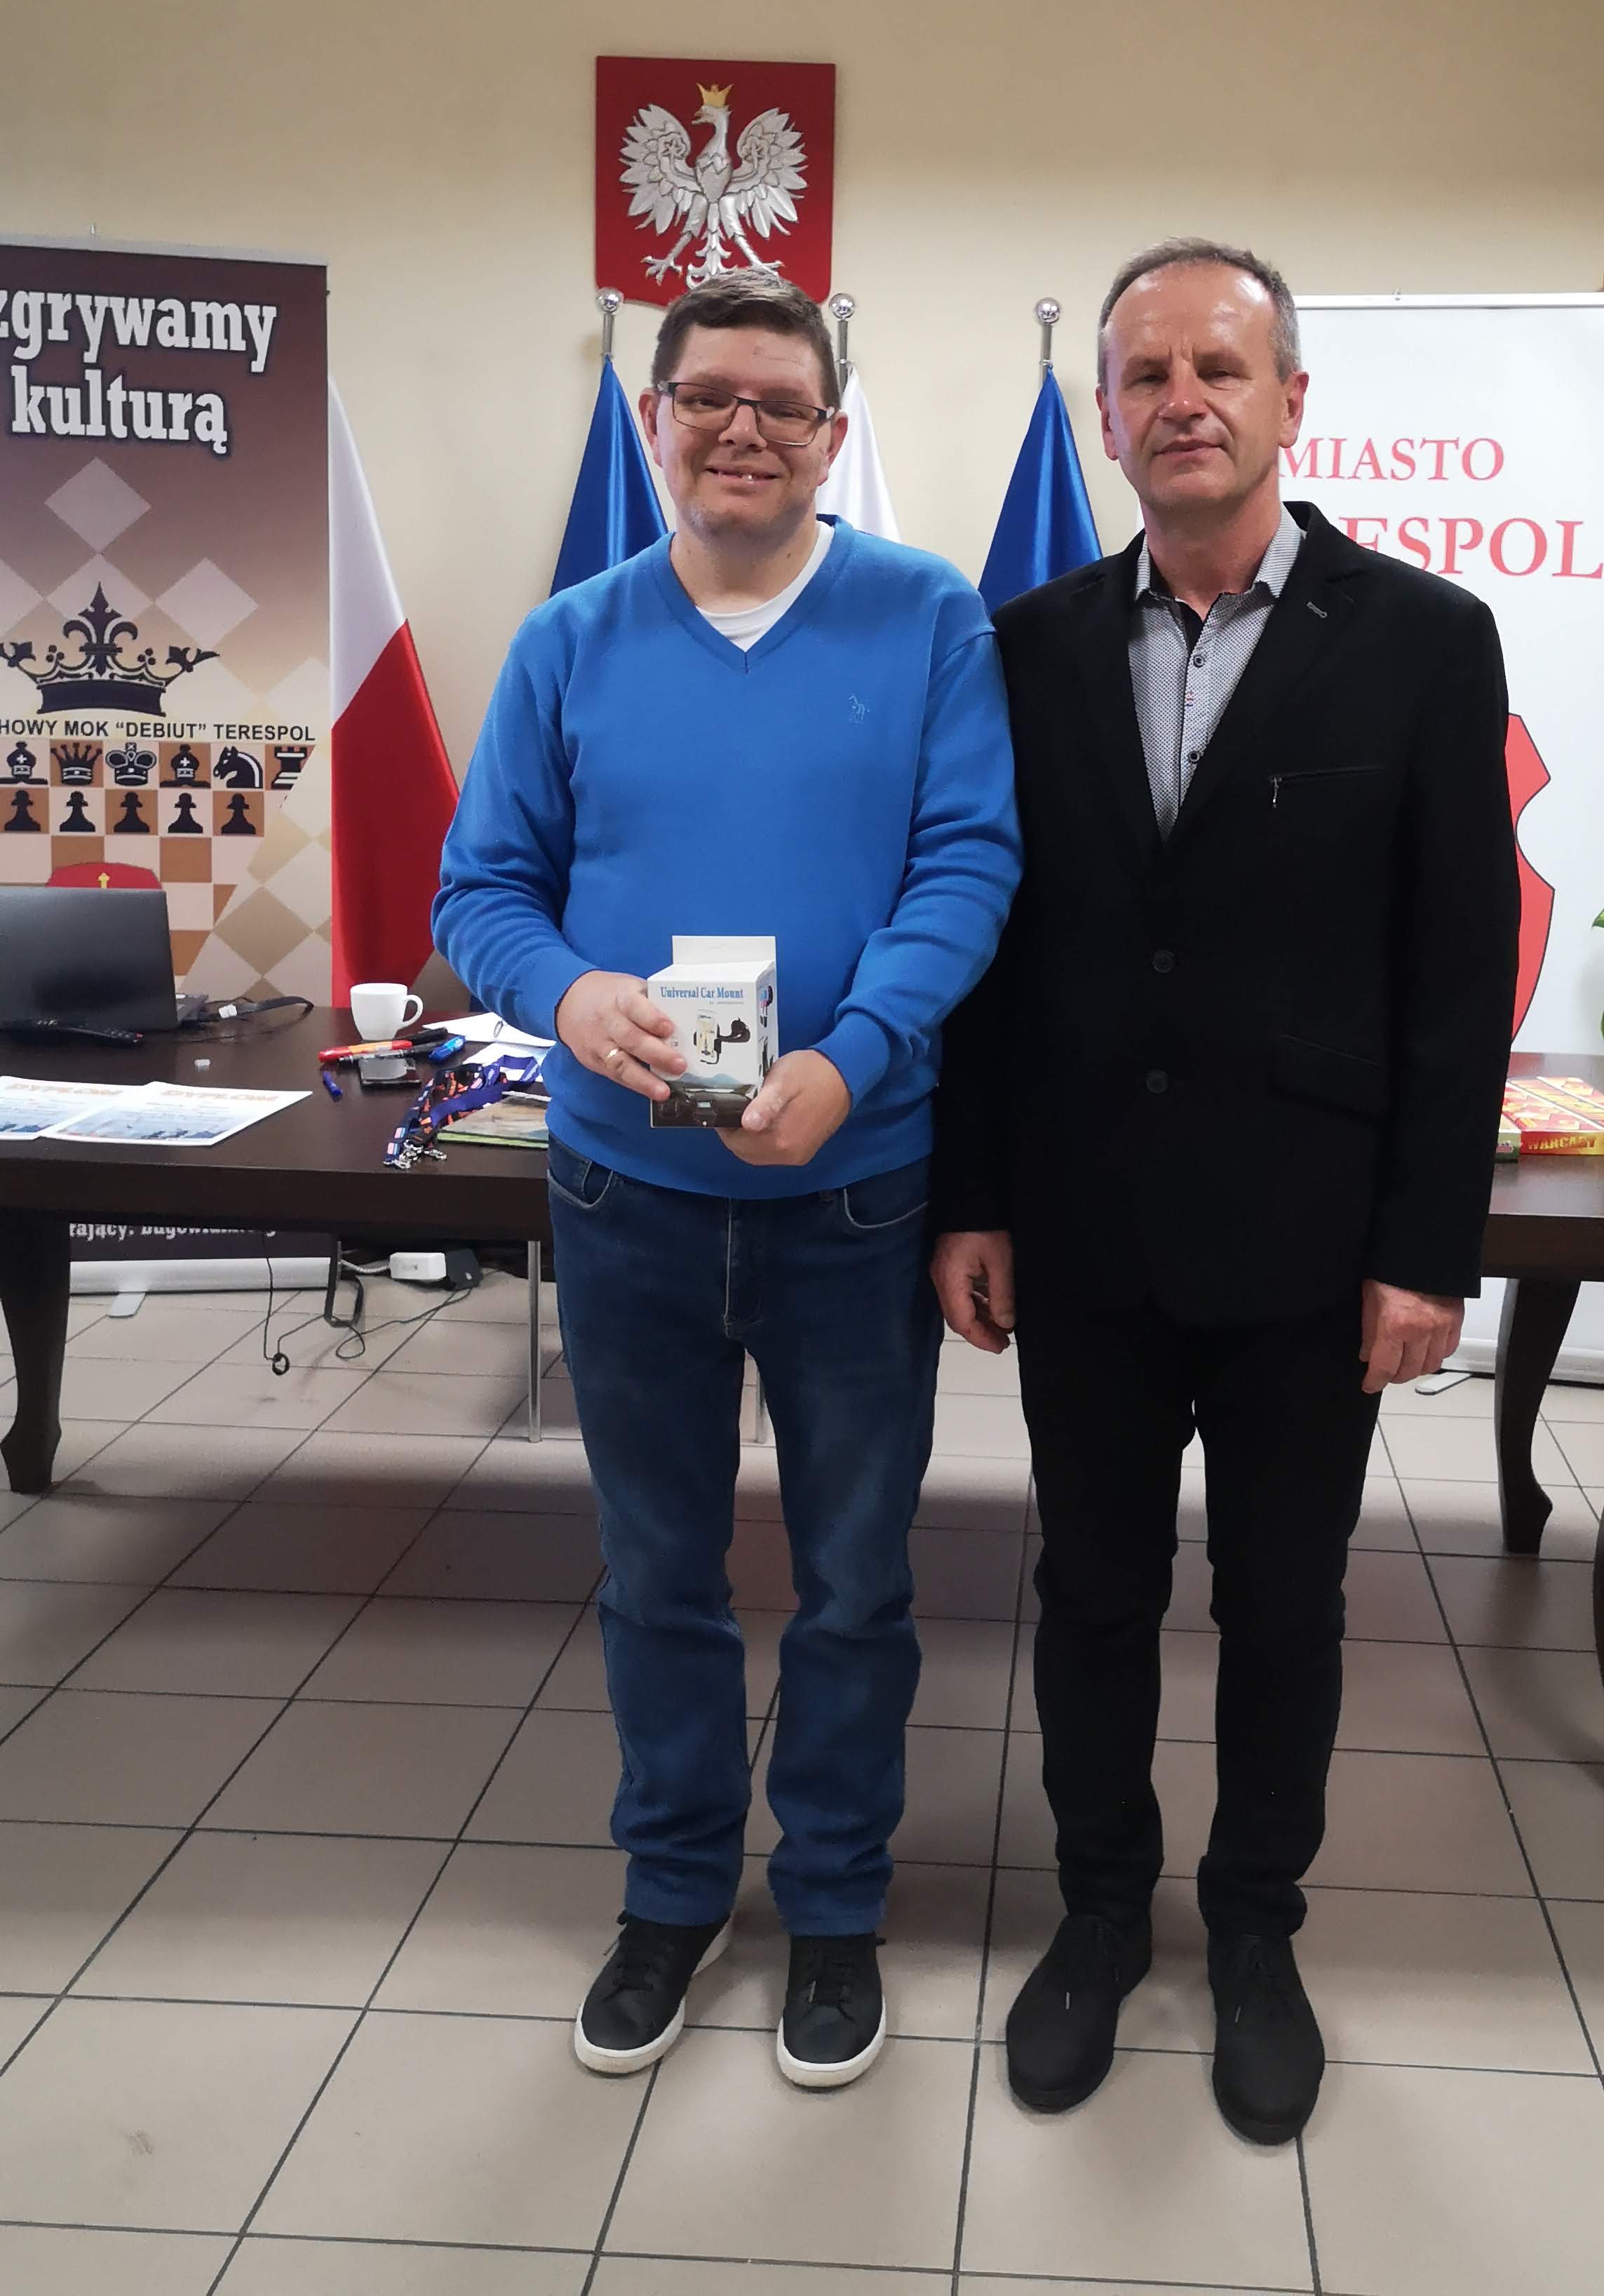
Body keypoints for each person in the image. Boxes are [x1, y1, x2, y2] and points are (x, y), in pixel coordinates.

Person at [931, 240, 1520, 2144]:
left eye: (1221, 367)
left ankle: (1256, 1929)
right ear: (1107, 418)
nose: (1183, 399)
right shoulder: (1024, 646)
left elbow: (1458, 978)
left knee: (1285, 1604)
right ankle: (1101, 1913)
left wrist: (1427, 1249)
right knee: (1094, 1594)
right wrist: (971, 1199)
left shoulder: (1425, 640)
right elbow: (987, 952)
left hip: (1310, 1244)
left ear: (1290, 403)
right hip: (1086, 1232)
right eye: (1147, 373)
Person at [436, 273, 1020, 2091]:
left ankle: (834, 1904)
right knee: (655, 1574)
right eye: (708, 399)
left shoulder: (927, 618)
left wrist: (857, 1055)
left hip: (856, 1193)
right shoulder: (570, 640)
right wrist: (569, 996)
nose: (742, 431)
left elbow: (969, 866)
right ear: (656, 420)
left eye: (782, 403)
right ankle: (675, 1891)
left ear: (833, 435)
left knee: (854, 1581)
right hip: (629, 1198)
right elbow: (481, 894)